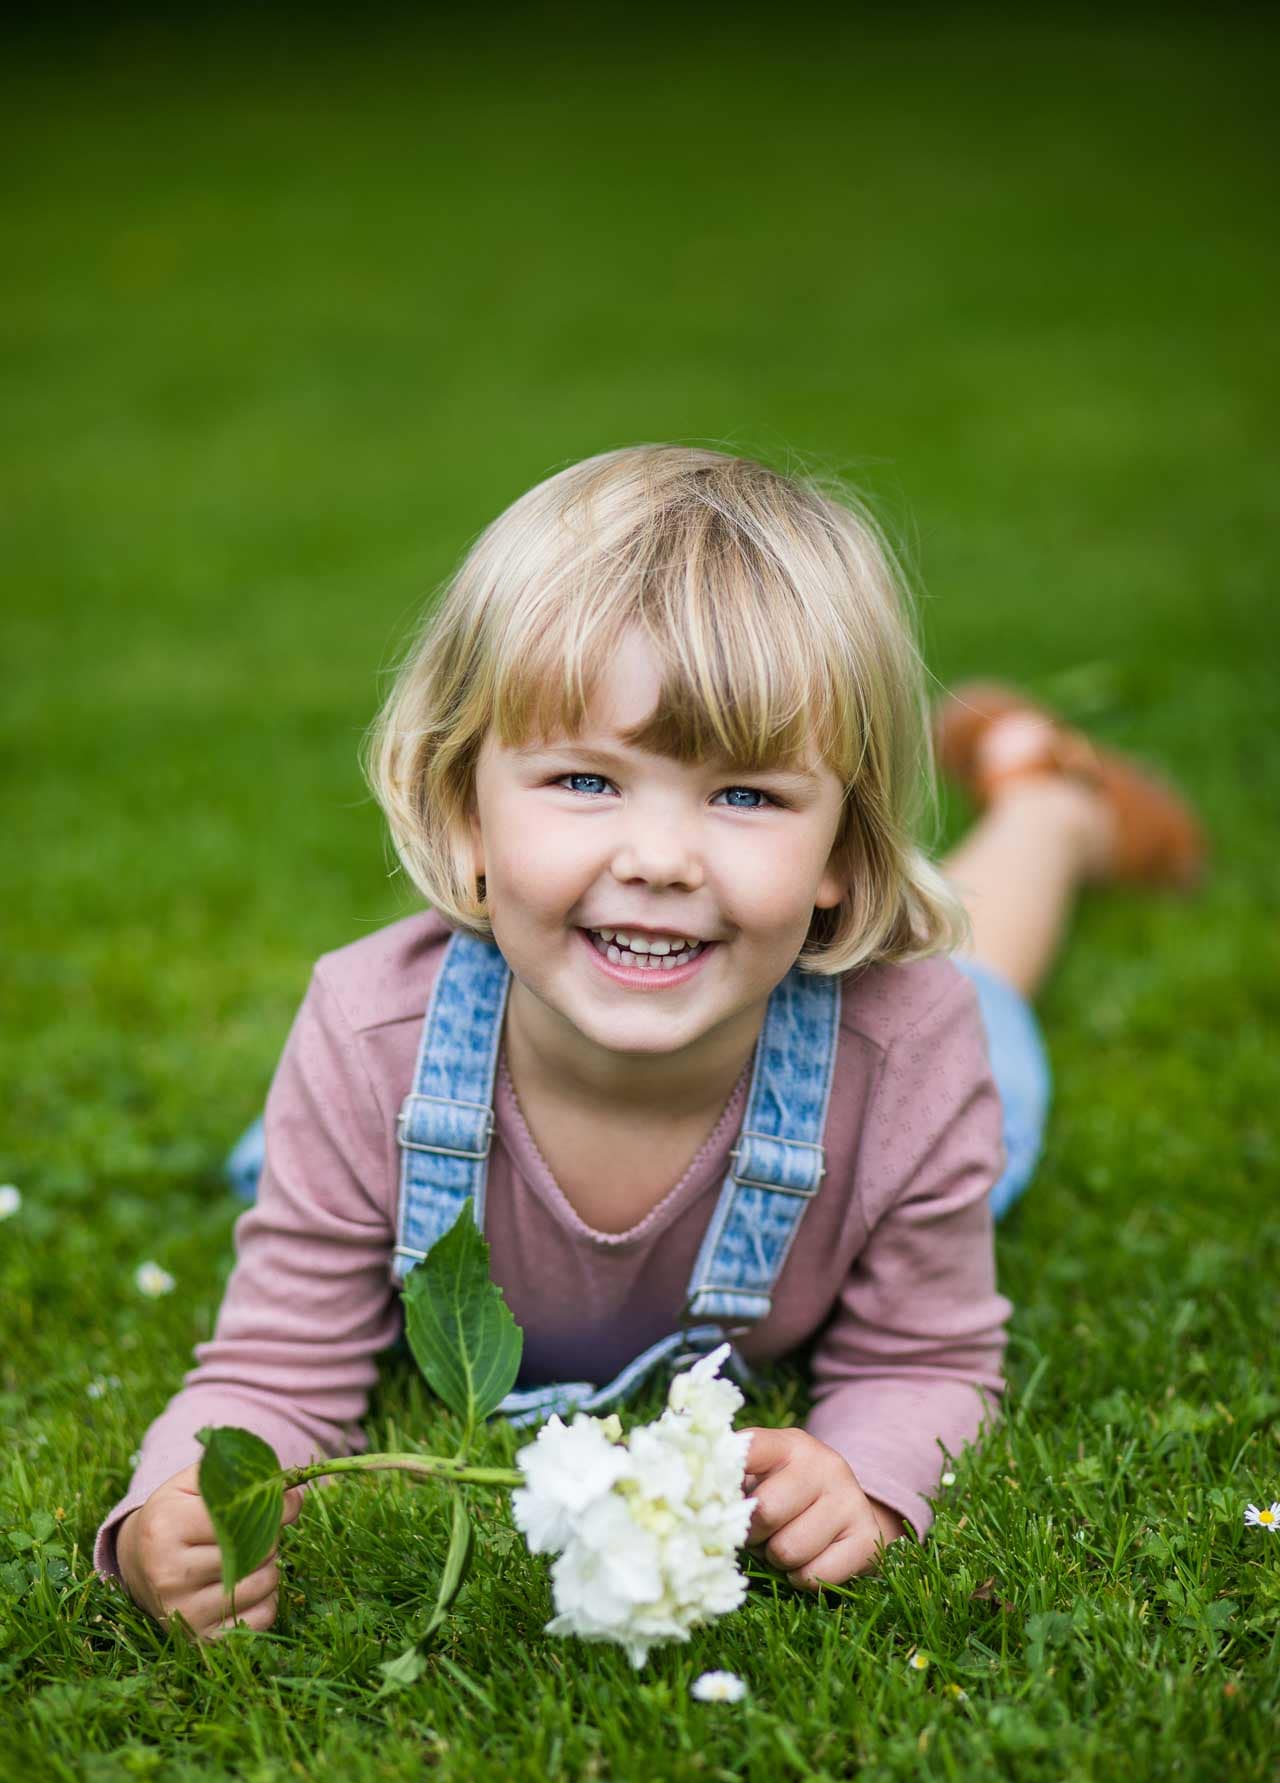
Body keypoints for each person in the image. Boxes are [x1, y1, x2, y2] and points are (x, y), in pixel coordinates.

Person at [94, 445, 1205, 1642]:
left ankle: (1045, 801)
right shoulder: (371, 1038)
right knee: (315, 1148)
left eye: (745, 797)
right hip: (427, 1073)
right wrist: (177, 1508)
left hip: (887, 1026)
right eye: (583, 779)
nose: (660, 858)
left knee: (982, 977)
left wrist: (868, 1475)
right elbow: (273, 1369)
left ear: (842, 850)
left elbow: (926, 1359)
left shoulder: (910, 1063)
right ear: (464, 809)